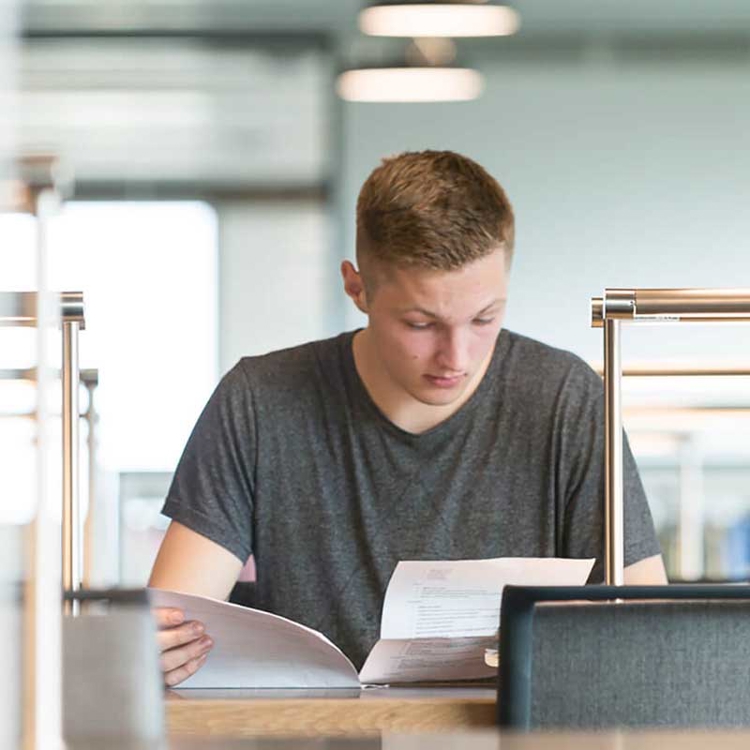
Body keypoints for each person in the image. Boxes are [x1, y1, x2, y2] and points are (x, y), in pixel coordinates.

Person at [149, 150, 667, 687]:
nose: (457, 358)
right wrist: (155, 652)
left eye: (484, 318)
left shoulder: (566, 399)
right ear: (357, 288)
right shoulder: (259, 402)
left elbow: (650, 631)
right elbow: (175, 621)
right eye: (421, 324)